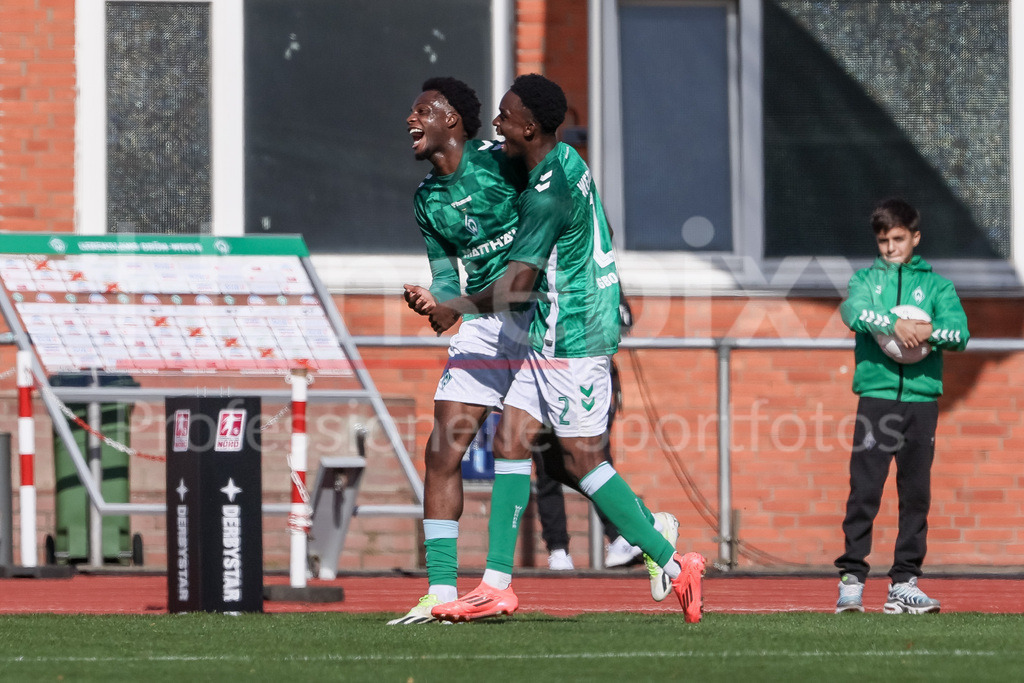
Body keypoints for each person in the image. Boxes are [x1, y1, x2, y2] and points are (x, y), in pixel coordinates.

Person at [425, 74, 705, 623]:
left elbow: (516, 287)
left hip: (572, 336)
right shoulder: (566, 159)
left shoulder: (544, 196)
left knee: (582, 460)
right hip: (554, 328)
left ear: (530, 127)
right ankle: (495, 587)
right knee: (510, 442)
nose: (496, 126)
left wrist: (454, 306)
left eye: (505, 118)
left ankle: (673, 559)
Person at [387, 76, 530, 625]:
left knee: (572, 460)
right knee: (442, 448)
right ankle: (440, 591)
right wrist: (436, 301)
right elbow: (448, 277)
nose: (411, 119)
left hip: (538, 313)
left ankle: (655, 540)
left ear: (452, 119)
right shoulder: (427, 200)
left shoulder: (502, 162)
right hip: (482, 320)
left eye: (423, 109)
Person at [833, 198, 969, 614]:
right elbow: (852, 311)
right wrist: (894, 323)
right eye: (883, 240)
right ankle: (852, 579)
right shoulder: (865, 280)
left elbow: (959, 333)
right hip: (876, 400)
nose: (890, 247)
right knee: (864, 491)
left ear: (915, 237)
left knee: (916, 495)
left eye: (898, 238)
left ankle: (904, 583)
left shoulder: (938, 287)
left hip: (921, 403)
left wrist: (926, 330)